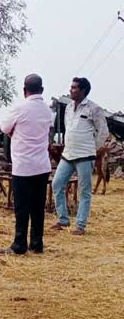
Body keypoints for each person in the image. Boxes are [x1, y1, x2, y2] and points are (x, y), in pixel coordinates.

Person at [0, 74, 53, 254]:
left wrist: (16, 132)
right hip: (42, 165)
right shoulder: (47, 110)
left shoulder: (20, 108)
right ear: (42, 90)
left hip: (23, 166)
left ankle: (19, 244)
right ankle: (37, 243)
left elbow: (4, 128)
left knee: (22, 207)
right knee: (38, 206)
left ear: (24, 90)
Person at [50, 77, 109, 235]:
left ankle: (81, 225)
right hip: (68, 154)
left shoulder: (94, 108)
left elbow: (103, 132)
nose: (71, 90)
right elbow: (68, 128)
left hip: (85, 156)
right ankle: (63, 220)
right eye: (71, 87)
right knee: (57, 185)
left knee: (84, 191)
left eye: (74, 87)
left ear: (83, 90)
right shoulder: (68, 107)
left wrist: (92, 147)